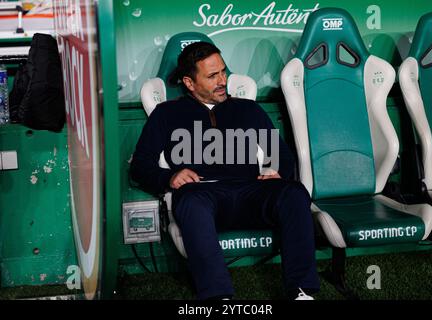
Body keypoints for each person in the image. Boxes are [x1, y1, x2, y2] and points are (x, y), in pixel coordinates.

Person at [130, 41, 319, 300]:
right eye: (212, 76)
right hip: (203, 194)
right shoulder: (167, 114)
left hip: (250, 190)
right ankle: (218, 297)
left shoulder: (248, 109)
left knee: (294, 193)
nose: (222, 81)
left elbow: (282, 156)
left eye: (223, 72)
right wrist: (170, 177)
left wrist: (278, 172)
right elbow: (140, 166)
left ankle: (301, 292)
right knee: (191, 201)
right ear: (189, 82)